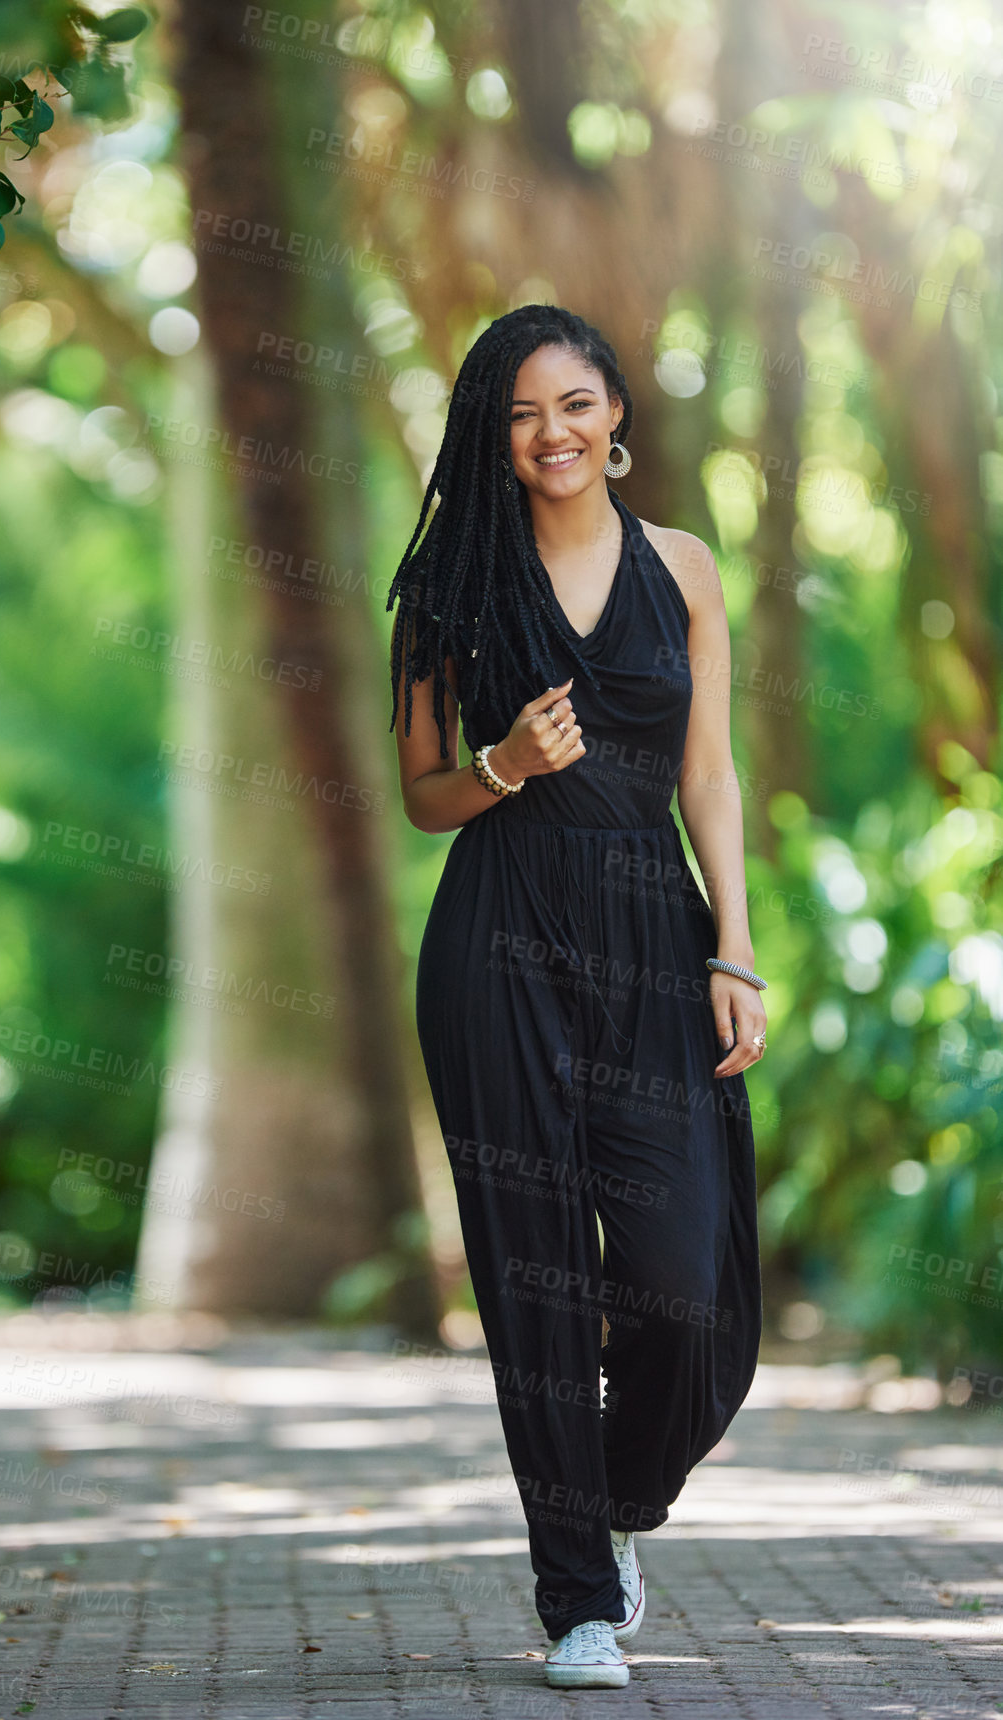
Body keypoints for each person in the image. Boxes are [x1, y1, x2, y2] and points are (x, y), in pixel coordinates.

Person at [387, 304, 766, 1691]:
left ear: (616, 416)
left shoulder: (684, 570)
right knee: (531, 1269)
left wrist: (733, 949)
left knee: (686, 1286)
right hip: (497, 935)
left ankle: (613, 1502)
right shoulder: (451, 585)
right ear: (493, 434)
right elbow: (424, 795)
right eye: (520, 412)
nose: (550, 432)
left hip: (653, 933)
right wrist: (501, 762)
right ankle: (577, 1602)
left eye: (574, 403)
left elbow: (708, 774)